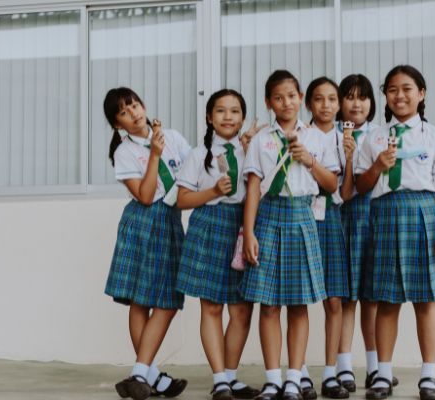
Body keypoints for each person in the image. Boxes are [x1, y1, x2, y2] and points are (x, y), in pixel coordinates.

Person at [355, 66, 435, 400]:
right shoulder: (373, 138)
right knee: (386, 301)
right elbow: (359, 185)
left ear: (421, 93)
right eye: (392, 90)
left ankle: (429, 375)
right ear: (385, 96)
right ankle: (383, 375)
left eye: (407, 89)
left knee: (425, 300)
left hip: (423, 217)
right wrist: (377, 167)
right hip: (383, 217)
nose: (399, 96)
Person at [240, 70, 339, 400]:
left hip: (302, 216)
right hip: (268, 215)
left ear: (301, 99)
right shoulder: (260, 140)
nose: (286, 102)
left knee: (298, 304)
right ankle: (272, 378)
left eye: (292, 96)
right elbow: (253, 187)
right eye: (278, 97)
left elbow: (332, 185)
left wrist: (309, 160)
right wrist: (250, 232)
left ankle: (294, 378)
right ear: (269, 103)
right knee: (268, 305)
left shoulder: (317, 138)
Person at [175, 89, 264, 400]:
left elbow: (261, 191)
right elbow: (181, 200)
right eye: (222, 111)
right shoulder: (199, 155)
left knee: (241, 309)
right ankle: (219, 380)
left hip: (242, 227)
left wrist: (254, 149)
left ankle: (231, 376)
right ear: (209, 117)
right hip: (209, 227)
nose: (229, 117)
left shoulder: (250, 151)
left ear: (242, 117)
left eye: (235, 111)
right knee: (211, 306)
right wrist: (212, 191)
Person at [103, 87, 191, 400]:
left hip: (169, 221)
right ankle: (148, 374)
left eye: (135, 105)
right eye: (124, 112)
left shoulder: (174, 137)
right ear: (118, 125)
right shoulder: (124, 152)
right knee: (142, 300)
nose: (134, 113)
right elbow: (144, 194)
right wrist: (154, 154)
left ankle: (145, 374)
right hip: (142, 222)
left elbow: (192, 173)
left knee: (167, 299)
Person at [331, 74, 399, 393]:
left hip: (375, 216)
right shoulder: (329, 135)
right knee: (346, 296)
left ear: (373, 103)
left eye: (363, 97)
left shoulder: (380, 134)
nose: (356, 103)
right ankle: (344, 365)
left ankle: (375, 367)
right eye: (349, 97)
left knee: (371, 294)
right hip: (342, 216)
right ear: (339, 103)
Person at [304, 76, 349, 399]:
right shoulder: (299, 135)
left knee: (334, 299)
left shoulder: (344, 139)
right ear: (309, 104)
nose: (326, 105)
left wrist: (350, 157)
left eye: (332, 99)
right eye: (319, 99)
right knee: (297, 299)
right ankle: (299, 371)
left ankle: (330, 372)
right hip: (301, 215)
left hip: (331, 216)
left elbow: (342, 191)